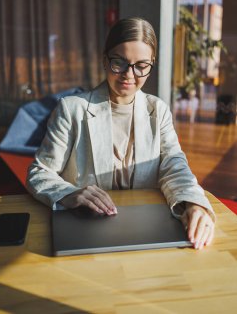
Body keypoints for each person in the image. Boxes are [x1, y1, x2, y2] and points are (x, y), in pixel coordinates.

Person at [26, 17, 215, 250]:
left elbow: (174, 164)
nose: (129, 74)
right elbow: (39, 172)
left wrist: (193, 203)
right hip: (85, 227)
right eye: (120, 62)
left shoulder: (158, 110)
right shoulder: (71, 109)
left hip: (145, 226)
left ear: (151, 65)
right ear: (105, 61)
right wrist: (68, 193)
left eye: (141, 66)